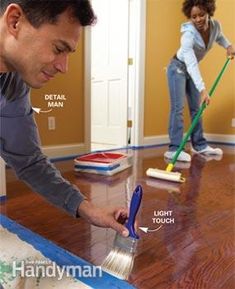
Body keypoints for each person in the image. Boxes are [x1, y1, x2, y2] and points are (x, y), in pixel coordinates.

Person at [0, 0, 130, 238]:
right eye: (59, 49)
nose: (64, 67)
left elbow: (29, 162)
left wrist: (88, 209)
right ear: (14, 21)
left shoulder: (13, 84)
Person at [164, 0, 235, 162]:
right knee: (178, 108)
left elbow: (220, 37)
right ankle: (174, 149)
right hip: (177, 68)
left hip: (190, 70)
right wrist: (203, 89)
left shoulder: (215, 26)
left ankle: (199, 145)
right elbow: (191, 63)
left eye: (201, 15)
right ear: (189, 17)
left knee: (197, 108)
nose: (198, 20)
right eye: (193, 17)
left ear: (209, 12)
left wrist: (229, 46)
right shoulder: (188, 36)